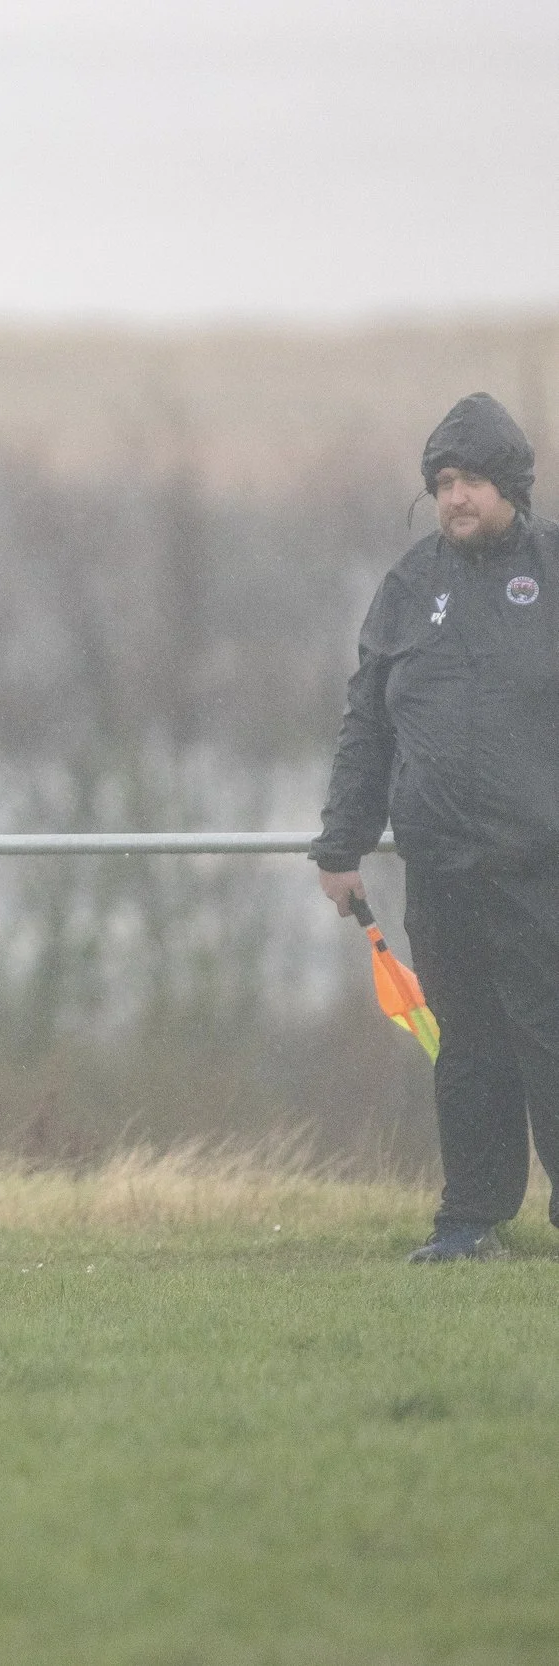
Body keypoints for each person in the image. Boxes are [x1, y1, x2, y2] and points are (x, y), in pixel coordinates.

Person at [314, 392, 559, 1263]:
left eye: (475, 481)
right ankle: (470, 1221)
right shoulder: (410, 586)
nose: (457, 498)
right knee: (468, 1051)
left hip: (542, 868)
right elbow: (366, 726)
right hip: (444, 871)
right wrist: (340, 845)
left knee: (551, 1038)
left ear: (514, 487)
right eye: (444, 482)